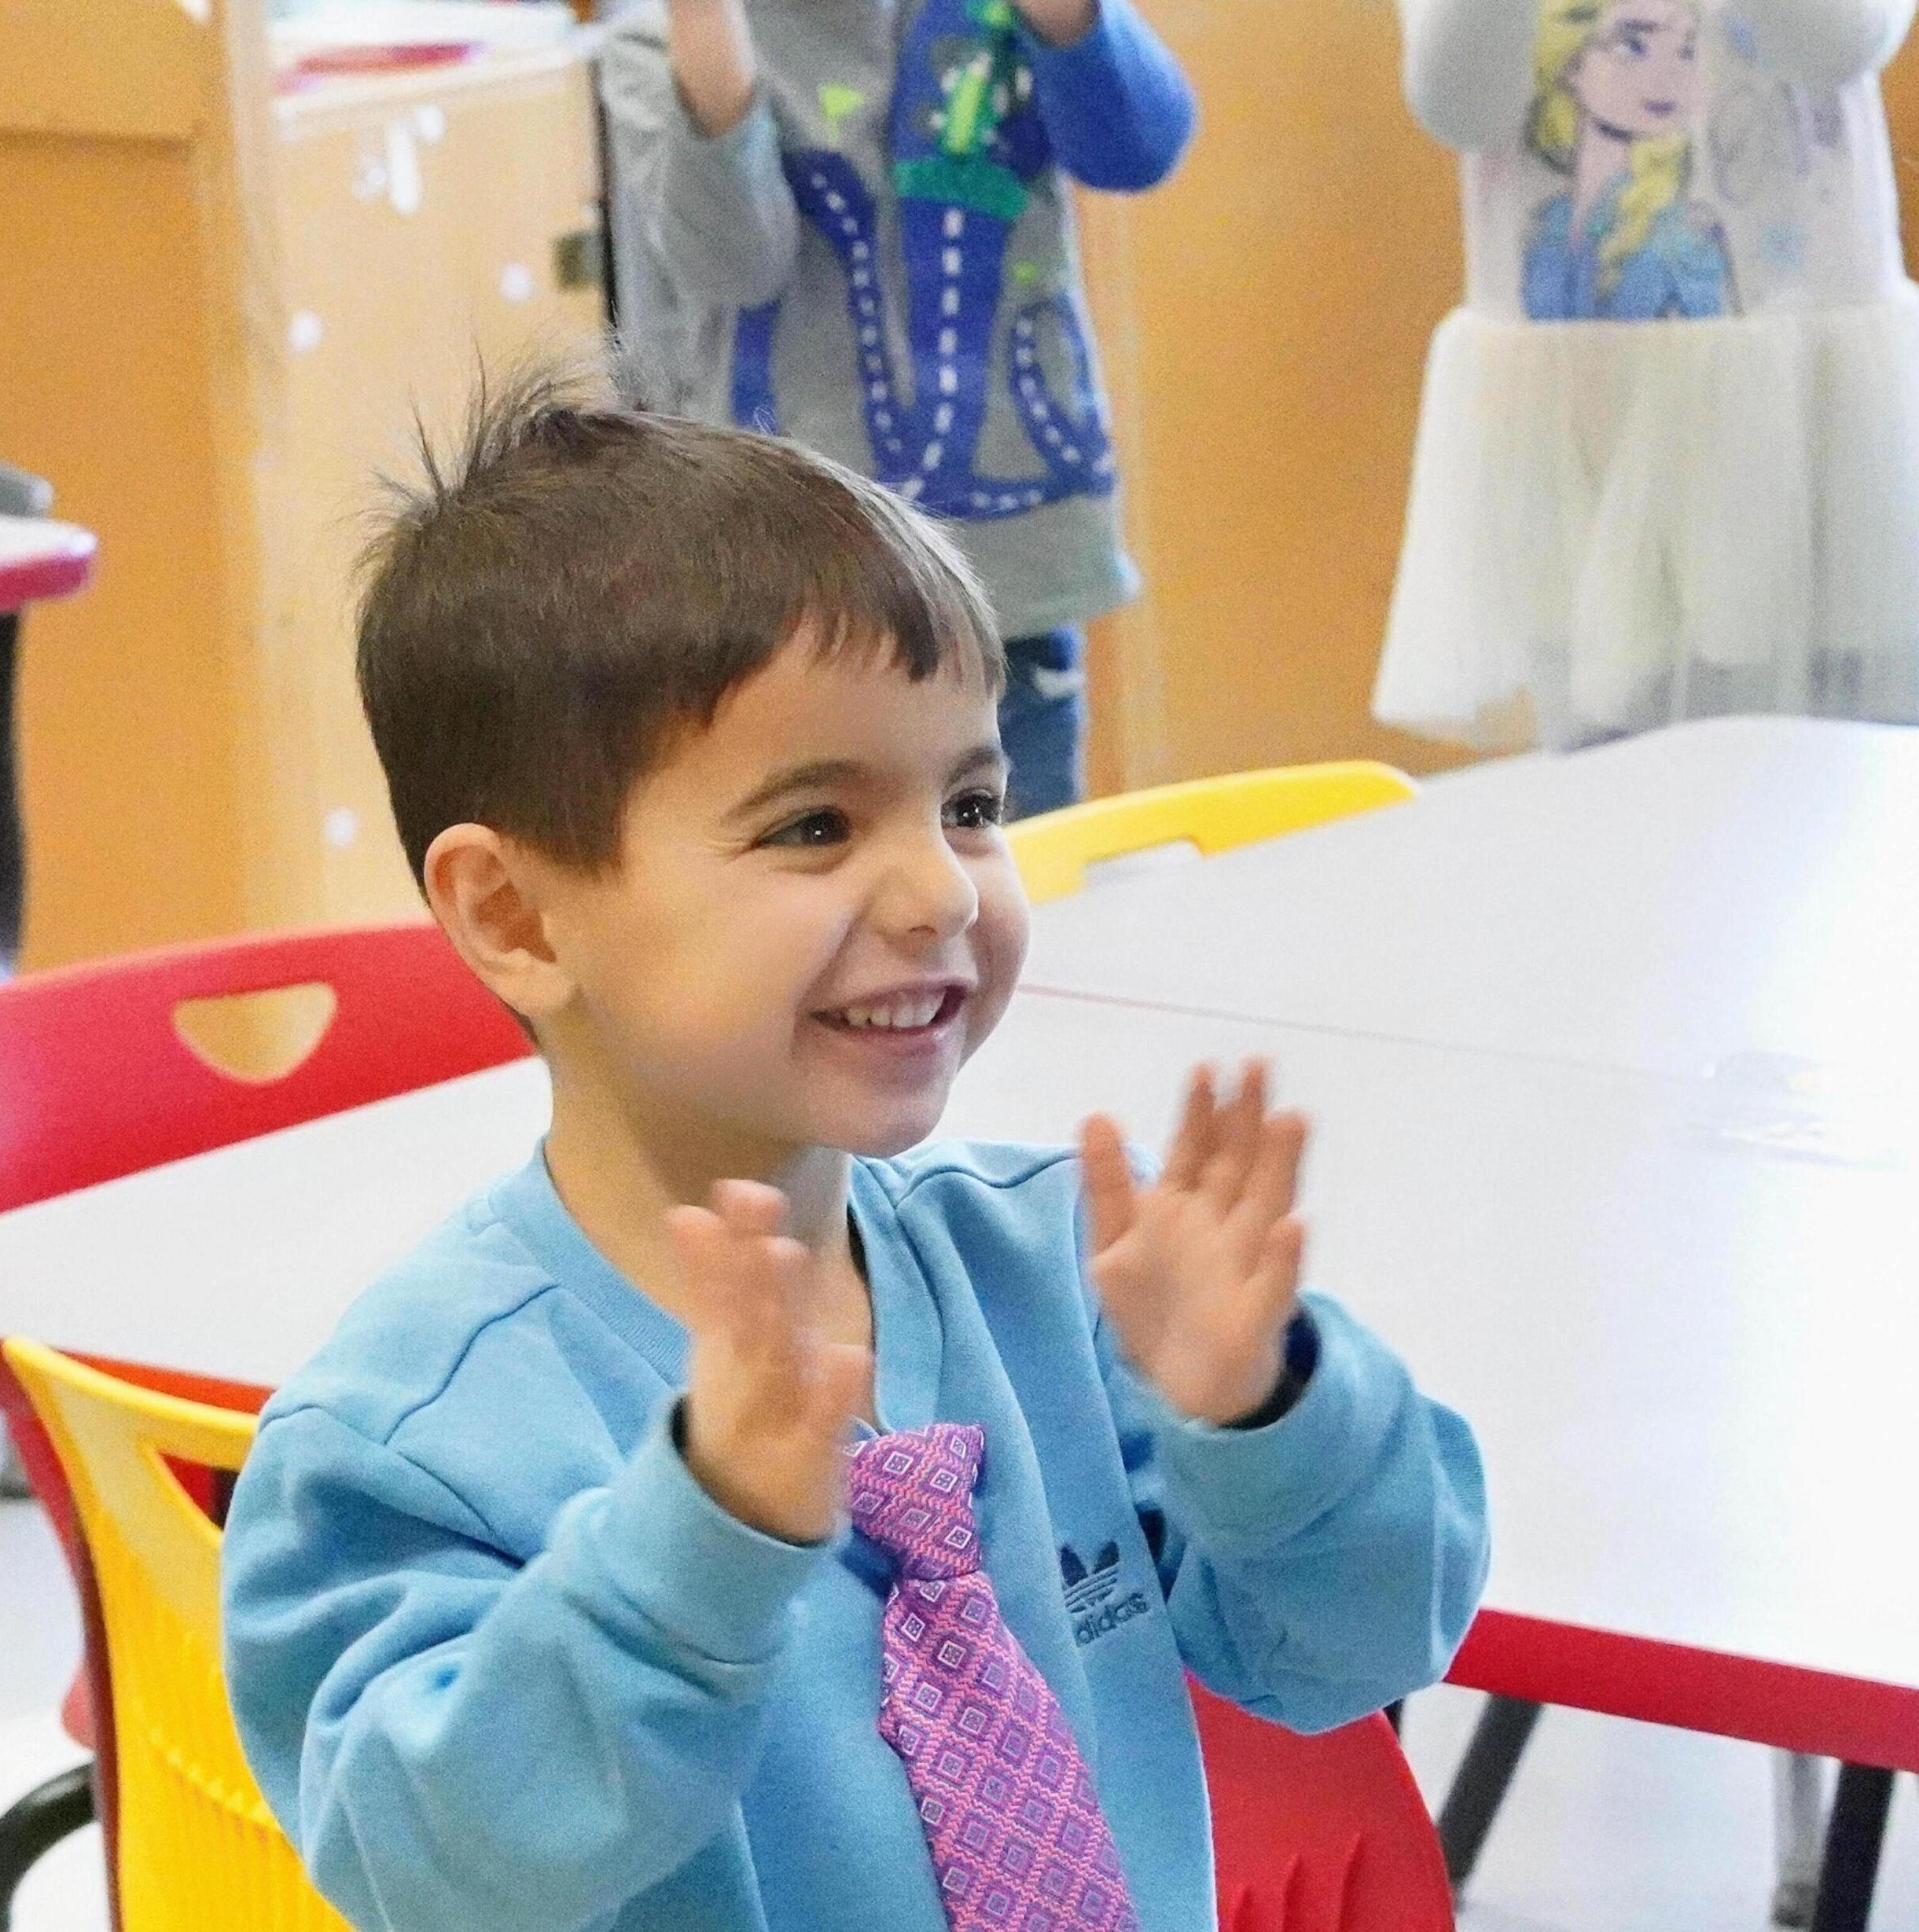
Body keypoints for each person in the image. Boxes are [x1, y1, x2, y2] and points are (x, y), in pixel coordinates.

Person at [221, 377, 1487, 1931]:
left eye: (968, 801)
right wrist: (694, 1550)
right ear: (516, 914)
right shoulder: (411, 1434)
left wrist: (1269, 1408)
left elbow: (1357, 1644)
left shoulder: (1064, 1270)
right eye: (815, 824)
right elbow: (434, 1867)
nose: (940, 891)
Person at [1373, 0, 1919, 751]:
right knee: (1615, 746)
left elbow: (1836, 44)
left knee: (1885, 741)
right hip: (1582, 423)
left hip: (1809, 406)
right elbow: (1457, 105)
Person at [597, 0, 1194, 817]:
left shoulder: (988, 18)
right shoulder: (658, 43)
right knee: (827, 895)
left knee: (1023, 888)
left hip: (1003, 586)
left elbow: (1137, 150)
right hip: (789, 602)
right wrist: (710, 48)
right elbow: (734, 266)